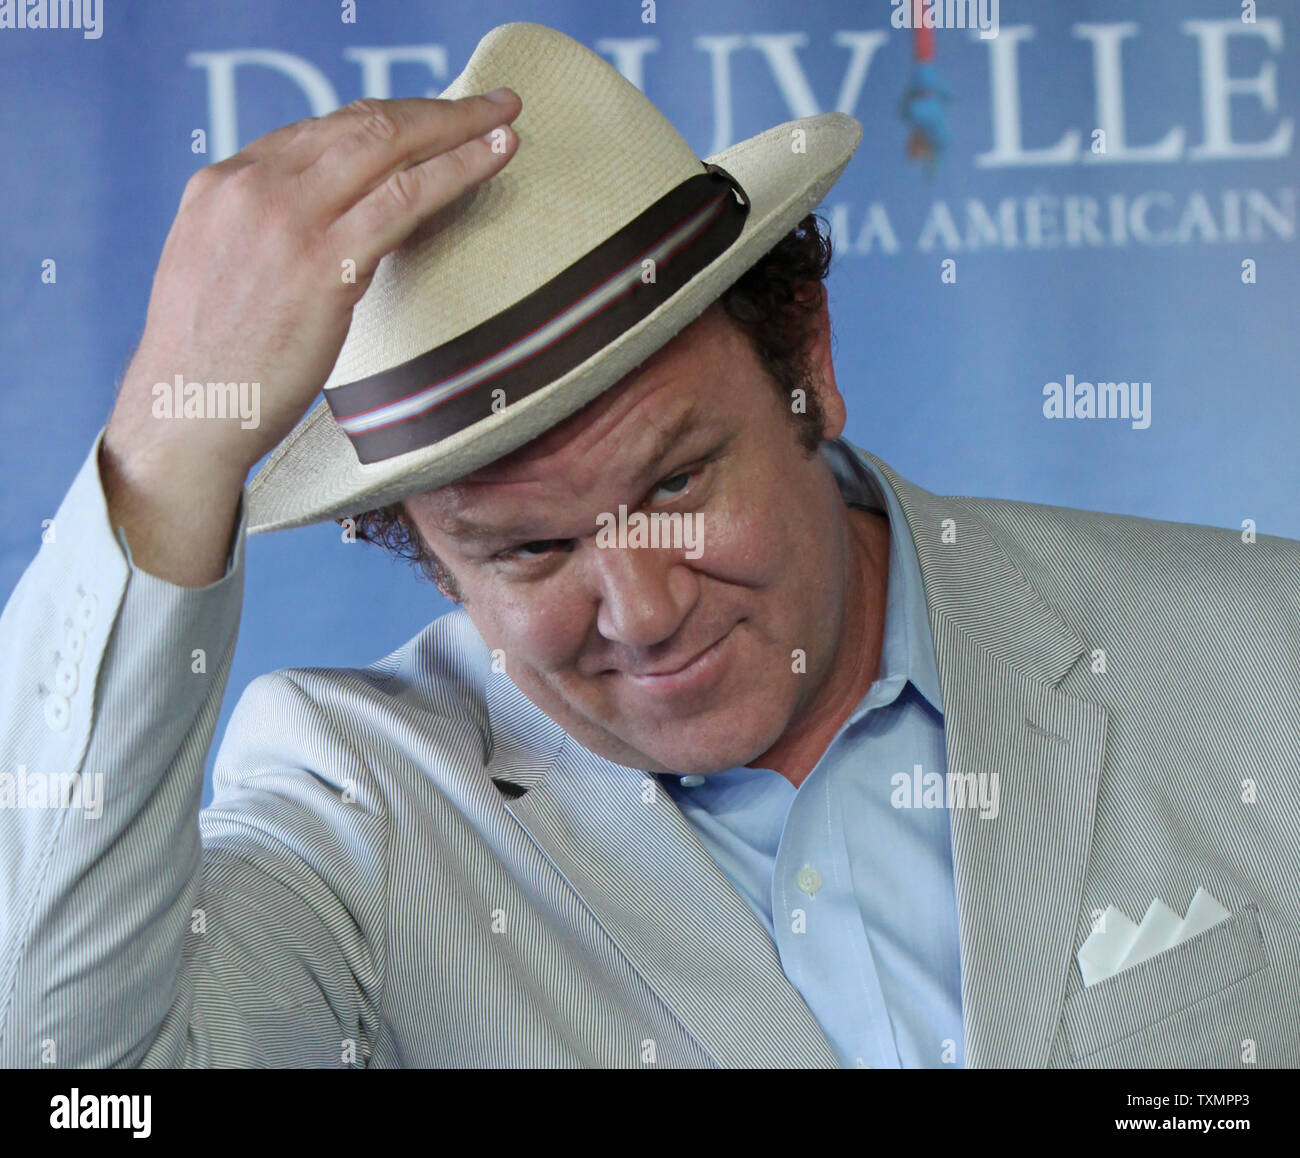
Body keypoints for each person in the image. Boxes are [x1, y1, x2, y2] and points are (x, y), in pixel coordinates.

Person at [1, 22, 1296, 1069]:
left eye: (675, 480)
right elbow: (66, 1066)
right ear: (431, 562)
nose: (640, 604)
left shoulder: (1259, 645)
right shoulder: (361, 807)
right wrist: (170, 451)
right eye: (524, 551)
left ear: (811, 367)